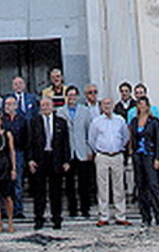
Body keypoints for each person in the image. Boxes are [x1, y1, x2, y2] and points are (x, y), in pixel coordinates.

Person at [28, 96, 71, 230]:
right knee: (39, 191)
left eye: (47, 105)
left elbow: (66, 143)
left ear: (53, 106)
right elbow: (29, 142)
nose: (45, 107)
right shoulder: (34, 122)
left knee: (56, 191)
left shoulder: (61, 122)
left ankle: (56, 218)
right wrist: (30, 160)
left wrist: (66, 160)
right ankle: (39, 218)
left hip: (56, 158)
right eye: (43, 105)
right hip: (40, 159)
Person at [88, 97, 131, 227]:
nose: (107, 106)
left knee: (119, 187)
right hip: (102, 156)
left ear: (113, 105)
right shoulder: (96, 122)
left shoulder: (120, 120)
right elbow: (91, 139)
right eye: (104, 104)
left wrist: (118, 148)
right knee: (102, 187)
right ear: (101, 106)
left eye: (109, 104)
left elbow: (125, 137)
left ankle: (120, 215)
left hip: (117, 155)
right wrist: (99, 151)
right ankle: (103, 216)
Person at [58, 85, 93, 218]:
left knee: (84, 182)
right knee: (69, 183)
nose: (72, 98)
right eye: (69, 95)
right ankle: (72, 209)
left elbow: (89, 131)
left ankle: (85, 208)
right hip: (68, 152)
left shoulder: (85, 111)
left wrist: (90, 150)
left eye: (74, 95)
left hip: (82, 150)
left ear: (77, 97)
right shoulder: (61, 111)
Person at [130, 96, 159, 226]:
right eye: (139, 105)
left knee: (154, 185)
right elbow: (132, 138)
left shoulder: (154, 122)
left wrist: (157, 158)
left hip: (150, 156)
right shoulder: (134, 121)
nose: (141, 107)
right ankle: (145, 216)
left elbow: (158, 140)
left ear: (148, 106)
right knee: (141, 186)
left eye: (144, 105)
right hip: (138, 156)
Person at [2, 95, 28, 218]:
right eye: (7, 104)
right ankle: (4, 210)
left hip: (18, 152)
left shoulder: (22, 119)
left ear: (16, 106)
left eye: (11, 104)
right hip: (3, 153)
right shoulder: (1, 120)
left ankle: (18, 209)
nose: (9, 107)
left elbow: (26, 136)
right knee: (3, 181)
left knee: (17, 181)